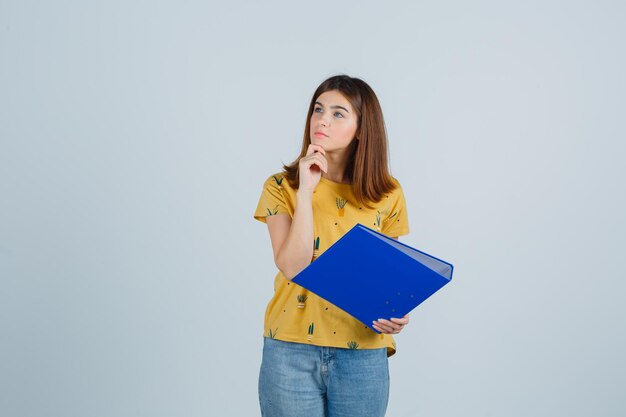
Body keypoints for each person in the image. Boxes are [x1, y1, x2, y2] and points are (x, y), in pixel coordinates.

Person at [253, 74, 410, 417]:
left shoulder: (387, 193)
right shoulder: (281, 186)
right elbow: (293, 266)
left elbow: (387, 280)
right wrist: (307, 190)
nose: (322, 119)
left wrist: (397, 312)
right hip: (290, 350)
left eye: (338, 113)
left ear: (362, 129)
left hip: (363, 351)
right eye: (318, 109)